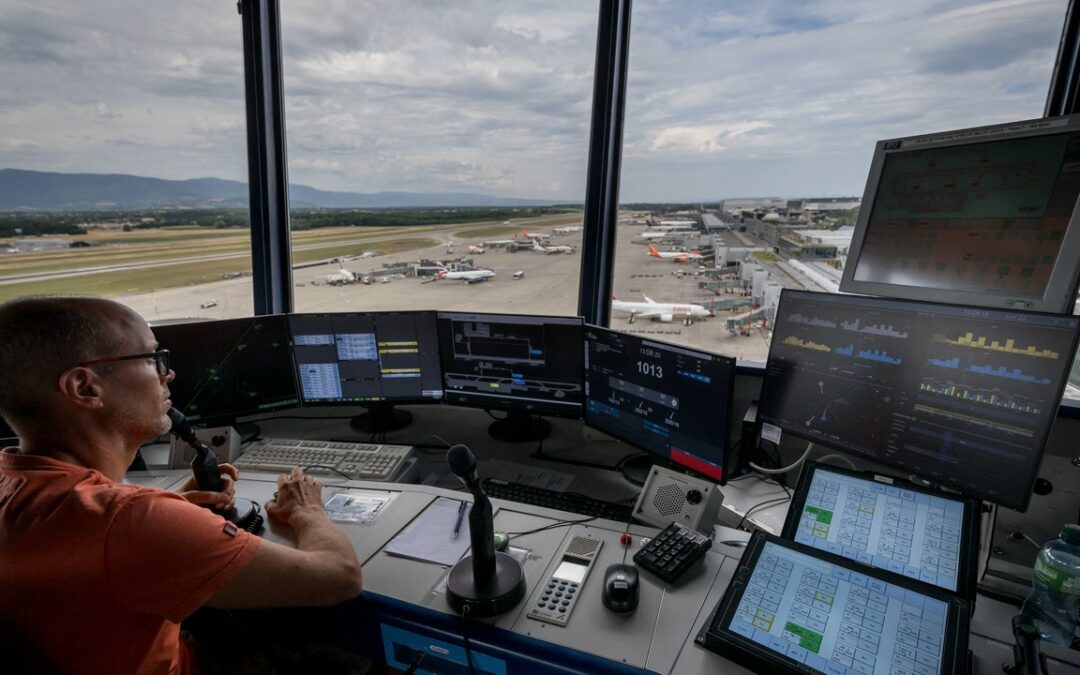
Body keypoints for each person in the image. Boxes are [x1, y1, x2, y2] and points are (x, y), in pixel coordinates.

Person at [0, 296, 363, 675]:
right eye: (151, 358)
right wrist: (307, 511)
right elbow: (340, 577)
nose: (168, 374)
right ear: (85, 387)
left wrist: (170, 510)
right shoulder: (131, 522)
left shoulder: (18, 485)